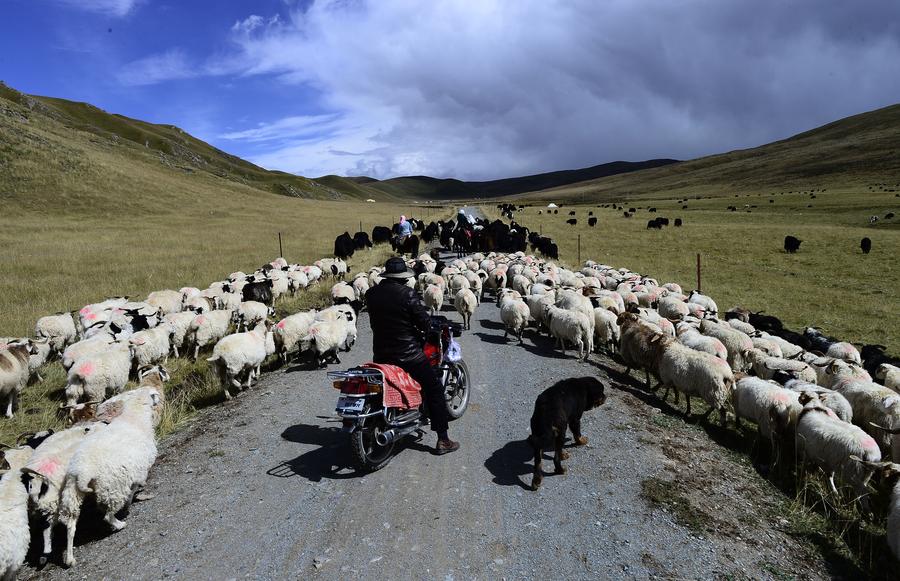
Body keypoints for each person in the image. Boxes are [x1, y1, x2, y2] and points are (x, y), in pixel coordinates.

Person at [366, 257, 460, 455]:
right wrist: (431, 327)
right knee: (434, 388)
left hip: (381, 354)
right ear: (402, 277)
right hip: (408, 355)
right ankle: (443, 439)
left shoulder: (371, 294)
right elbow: (424, 323)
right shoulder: (407, 294)